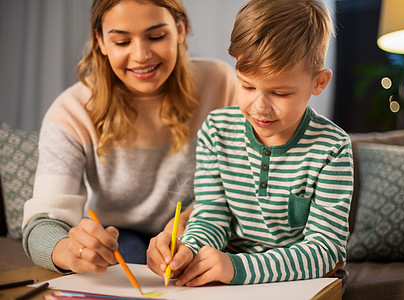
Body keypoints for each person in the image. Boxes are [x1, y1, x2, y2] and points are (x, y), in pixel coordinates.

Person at [147, 0, 353, 287]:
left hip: (300, 282)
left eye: (279, 93)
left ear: (318, 82)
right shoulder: (217, 131)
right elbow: (211, 216)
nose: (260, 107)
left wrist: (237, 267)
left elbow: (325, 251)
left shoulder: (332, 147)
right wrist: (189, 250)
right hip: (230, 278)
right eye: (247, 86)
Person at [22, 0, 236, 274]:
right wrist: (67, 249)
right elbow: (43, 222)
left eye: (156, 36)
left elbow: (240, 185)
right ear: (100, 41)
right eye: (122, 42)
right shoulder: (70, 113)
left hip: (204, 226)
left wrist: (189, 220)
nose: (141, 55)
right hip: (121, 237)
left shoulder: (222, 84)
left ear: (180, 30)